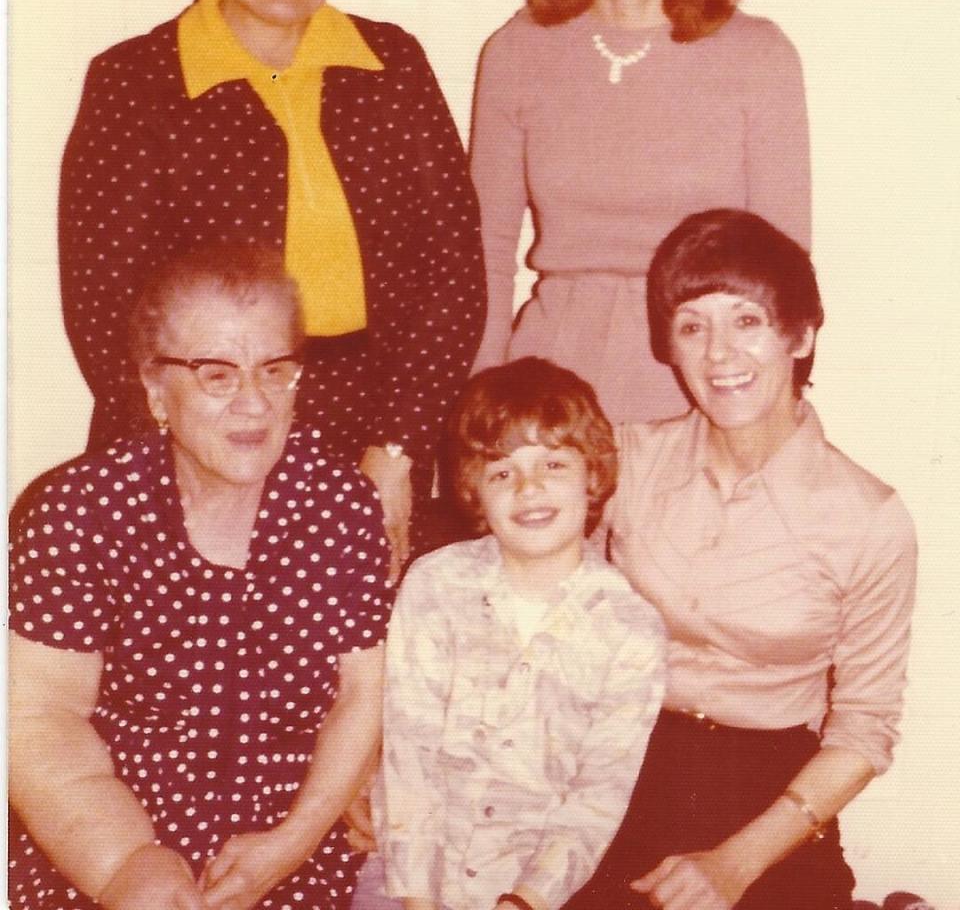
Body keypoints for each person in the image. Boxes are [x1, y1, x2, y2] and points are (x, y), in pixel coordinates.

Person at [58, 0, 485, 571]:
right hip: (197, 429)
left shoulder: (393, 66)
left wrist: (397, 451)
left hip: (374, 424)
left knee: (352, 670)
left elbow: (453, 279)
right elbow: (105, 312)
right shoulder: (137, 82)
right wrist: (200, 458)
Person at [9, 243, 393, 910]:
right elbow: (40, 717)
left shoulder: (340, 505)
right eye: (217, 375)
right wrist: (127, 863)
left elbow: (364, 696)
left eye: (275, 370)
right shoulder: (81, 511)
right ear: (156, 388)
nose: (254, 404)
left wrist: (292, 841)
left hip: (284, 845)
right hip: (102, 840)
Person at [565, 209, 917, 910]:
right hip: (624, 764)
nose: (719, 354)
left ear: (801, 333)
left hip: (774, 793)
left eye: (746, 320)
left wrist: (734, 865)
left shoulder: (869, 519)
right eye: (694, 325)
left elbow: (864, 728)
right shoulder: (626, 460)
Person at [470, 0, 810, 424]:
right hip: (551, 386)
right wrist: (483, 413)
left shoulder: (759, 58)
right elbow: (483, 259)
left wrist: (768, 424)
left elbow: (784, 281)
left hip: (705, 386)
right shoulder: (517, 53)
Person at [351, 356, 665, 910]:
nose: (528, 489)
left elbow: (595, 803)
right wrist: (419, 901)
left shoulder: (632, 631)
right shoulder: (435, 586)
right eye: (502, 472)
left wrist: (523, 900)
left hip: (530, 892)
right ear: (474, 490)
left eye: (553, 466)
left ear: (593, 475)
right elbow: (410, 759)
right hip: (408, 877)